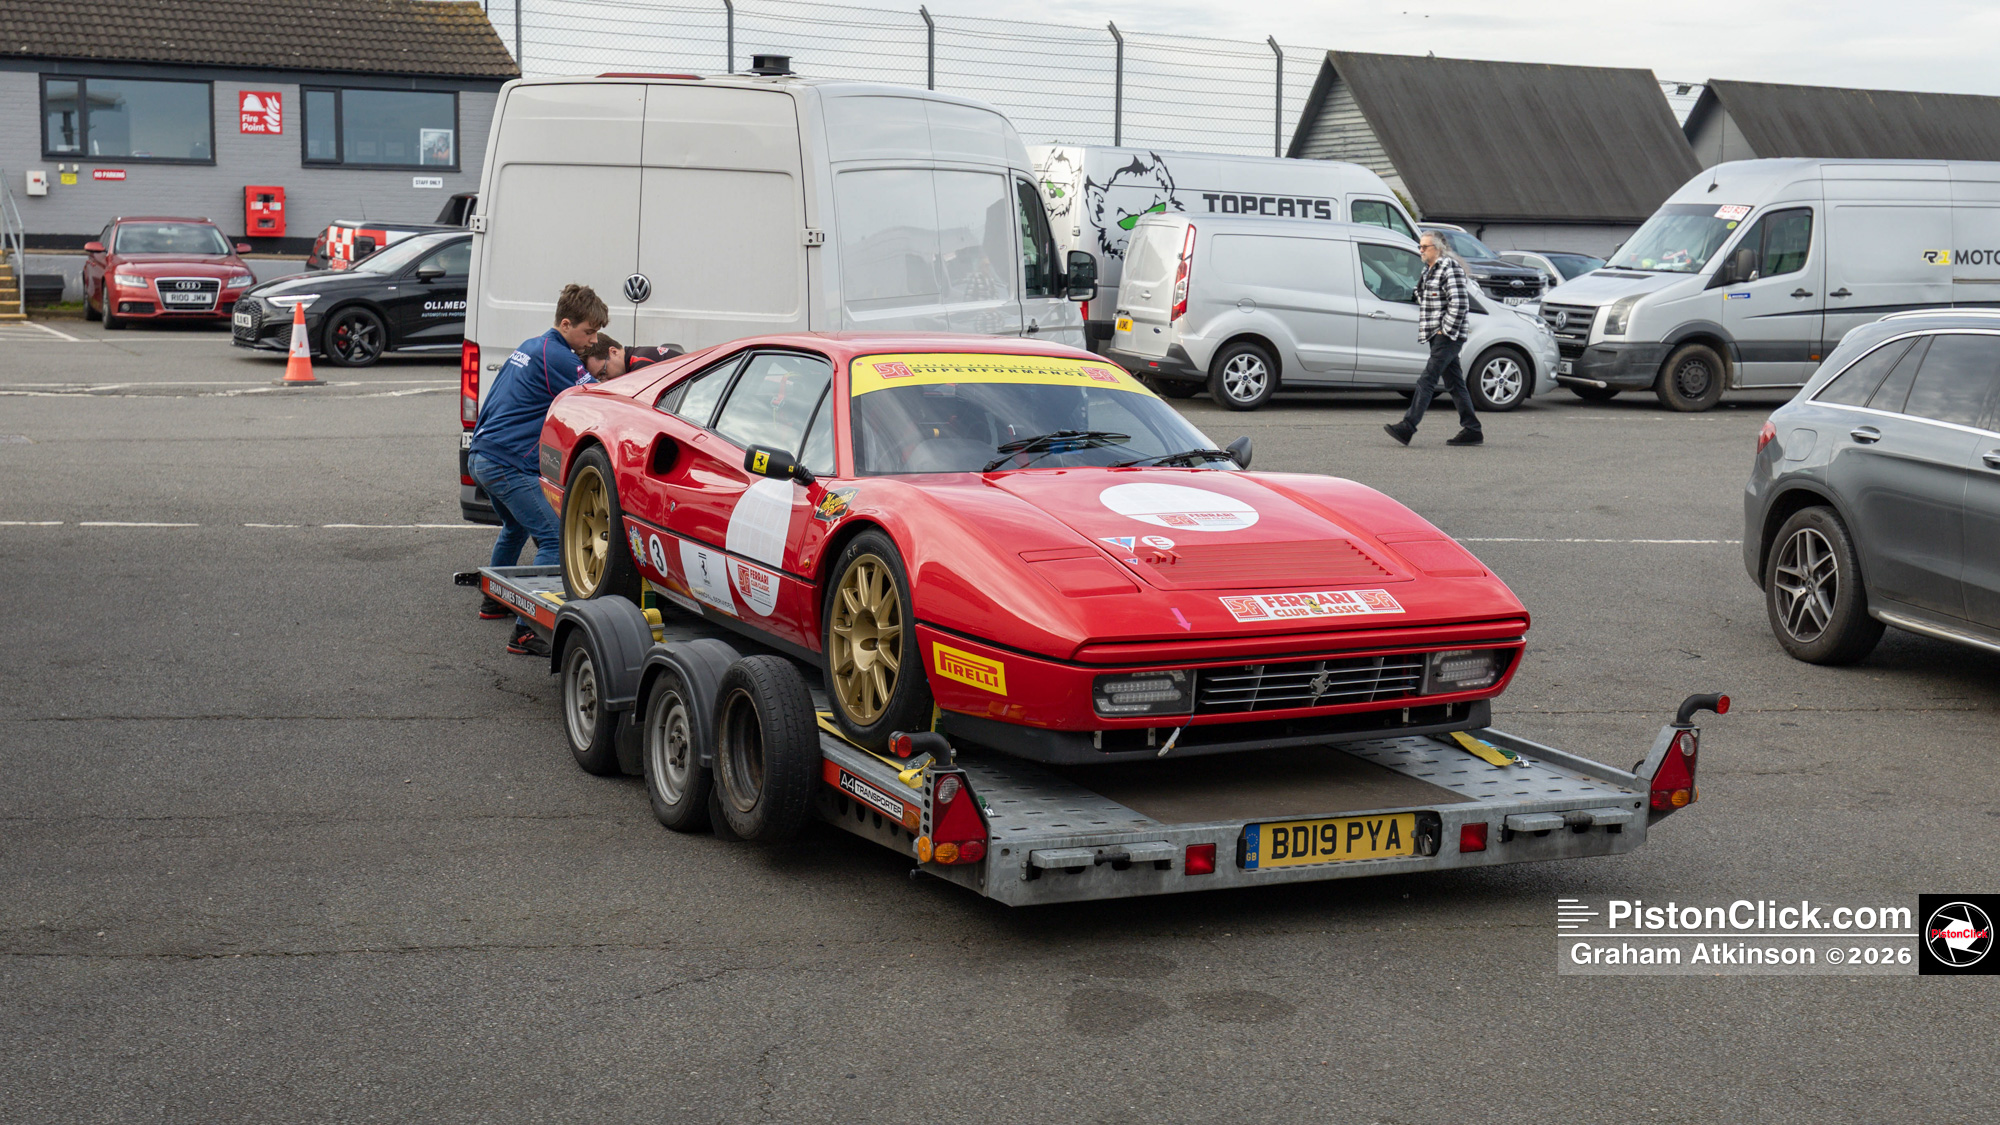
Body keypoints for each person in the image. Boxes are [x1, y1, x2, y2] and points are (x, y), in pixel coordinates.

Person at [467, 284, 607, 654]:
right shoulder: (560, 357)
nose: (592, 341)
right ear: (565, 323)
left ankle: (495, 601)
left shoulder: (530, 346)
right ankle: (526, 631)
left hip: (482, 456)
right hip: (507, 463)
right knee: (554, 538)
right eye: (588, 332)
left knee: (514, 526)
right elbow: (599, 400)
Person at [1385, 231, 1483, 447]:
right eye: (1420, 247)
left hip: (1448, 335)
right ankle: (1472, 429)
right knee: (1455, 383)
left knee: (1427, 379)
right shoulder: (1428, 270)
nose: (1420, 250)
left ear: (1438, 248)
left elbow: (1459, 303)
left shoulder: (1450, 267)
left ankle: (1408, 426)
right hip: (1435, 333)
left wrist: (1445, 330)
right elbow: (1423, 295)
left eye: (1424, 247)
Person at [579, 333, 685, 380]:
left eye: (603, 373)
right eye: (599, 379)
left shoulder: (641, 364)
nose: (604, 381)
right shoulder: (637, 356)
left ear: (614, 351)